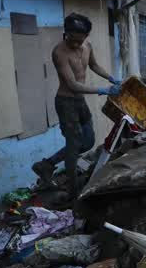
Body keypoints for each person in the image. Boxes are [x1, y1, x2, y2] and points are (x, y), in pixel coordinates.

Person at [32, 13, 120, 193]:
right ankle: (73, 190)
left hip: (80, 101)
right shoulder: (59, 52)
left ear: (86, 37)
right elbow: (72, 84)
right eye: (71, 39)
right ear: (67, 33)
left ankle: (47, 164)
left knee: (88, 142)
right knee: (73, 146)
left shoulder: (87, 46)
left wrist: (111, 78)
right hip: (66, 102)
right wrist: (102, 90)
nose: (74, 44)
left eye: (78, 41)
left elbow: (94, 65)